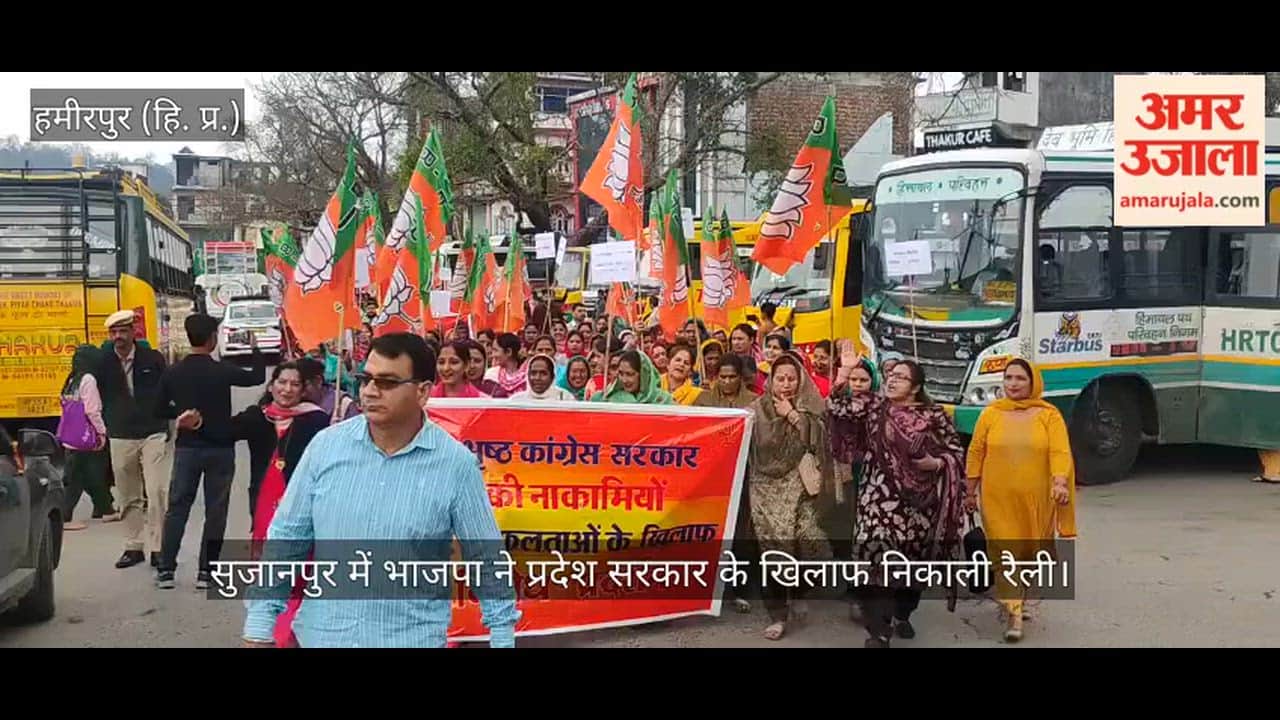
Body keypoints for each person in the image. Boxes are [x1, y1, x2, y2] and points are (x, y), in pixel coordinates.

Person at [242, 333, 520, 648]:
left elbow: (485, 557)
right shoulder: (326, 448)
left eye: (387, 382)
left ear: (422, 392)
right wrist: (259, 628)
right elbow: (286, 541)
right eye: (366, 379)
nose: (371, 392)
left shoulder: (455, 465)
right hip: (321, 637)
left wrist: (502, 636)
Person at [828, 354, 966, 648]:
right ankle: (878, 631)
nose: (892, 379)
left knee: (909, 567)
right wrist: (844, 373)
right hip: (876, 499)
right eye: (891, 374)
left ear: (916, 387)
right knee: (873, 563)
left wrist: (936, 463)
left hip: (917, 505)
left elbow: (955, 451)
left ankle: (903, 614)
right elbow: (837, 408)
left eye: (901, 376)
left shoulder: (933, 415)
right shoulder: (874, 407)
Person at [964, 359, 1077, 642]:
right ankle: (1014, 614)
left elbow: (1059, 451)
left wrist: (1060, 481)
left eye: (1019, 379)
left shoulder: (1048, 415)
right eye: (1008, 378)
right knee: (1005, 553)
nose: (1012, 384)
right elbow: (976, 451)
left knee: (1029, 553)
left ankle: (1021, 598)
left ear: (1033, 383)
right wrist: (969, 490)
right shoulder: (991, 413)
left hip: (1037, 498)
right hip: (996, 497)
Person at [155, 313, 267, 589]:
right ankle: (207, 571)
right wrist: (254, 348)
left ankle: (166, 569)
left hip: (187, 449)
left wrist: (179, 415)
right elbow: (256, 377)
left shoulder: (174, 372)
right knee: (216, 511)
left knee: (177, 508)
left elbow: (156, 409)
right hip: (220, 448)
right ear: (212, 339)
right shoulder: (222, 370)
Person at [230, 362, 327, 647]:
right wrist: (196, 422)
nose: (287, 389)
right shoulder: (256, 417)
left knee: (300, 565)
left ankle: (297, 627)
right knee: (269, 563)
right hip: (263, 505)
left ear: (303, 389)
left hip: (303, 505)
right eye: (282, 382)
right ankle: (266, 625)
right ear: (271, 385)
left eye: (294, 384)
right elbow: (221, 431)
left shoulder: (317, 421)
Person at [748, 351, 833, 640]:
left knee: (811, 544)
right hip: (763, 488)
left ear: (800, 380)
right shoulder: (755, 409)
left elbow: (821, 438)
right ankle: (777, 615)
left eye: (791, 379)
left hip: (800, 485)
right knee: (773, 550)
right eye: (780, 378)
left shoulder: (810, 406)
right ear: (770, 381)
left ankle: (799, 592)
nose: (785, 384)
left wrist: (793, 416)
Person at [96, 309, 171, 570]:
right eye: (113, 332)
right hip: (120, 435)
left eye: (123, 331)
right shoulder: (103, 362)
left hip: (153, 432)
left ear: (133, 332)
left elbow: (168, 389)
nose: (118, 337)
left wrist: (169, 421)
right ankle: (133, 546)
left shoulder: (152, 358)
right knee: (128, 494)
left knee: (156, 491)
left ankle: (160, 548)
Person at [60, 344, 117, 530]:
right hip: (87, 436)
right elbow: (92, 410)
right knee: (81, 477)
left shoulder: (71, 379)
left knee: (89, 474)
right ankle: (64, 515)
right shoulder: (89, 379)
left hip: (72, 436)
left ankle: (104, 509)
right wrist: (102, 432)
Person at [591, 350, 671, 404]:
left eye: (630, 374)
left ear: (643, 376)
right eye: (621, 374)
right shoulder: (607, 399)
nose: (624, 380)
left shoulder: (662, 400)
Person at [511, 354, 577, 401]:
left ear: (552, 377)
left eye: (543, 373)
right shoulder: (517, 400)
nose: (537, 378)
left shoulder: (565, 398)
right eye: (533, 373)